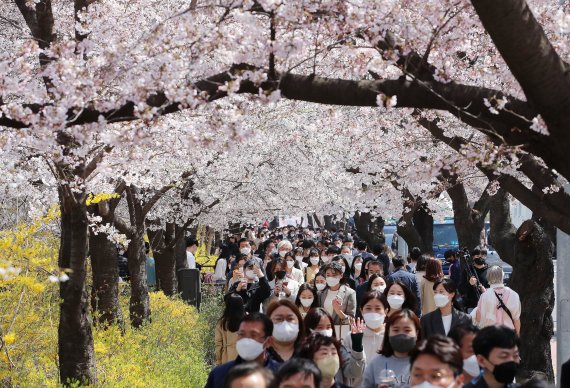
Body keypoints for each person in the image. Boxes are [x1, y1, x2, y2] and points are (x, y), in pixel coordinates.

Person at [205, 313, 280, 388]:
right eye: (241, 334)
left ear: (269, 341)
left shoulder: (282, 374)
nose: (246, 340)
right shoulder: (219, 374)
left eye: (253, 335)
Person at [303, 307, 366, 386]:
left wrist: (357, 345)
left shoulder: (338, 349)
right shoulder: (302, 352)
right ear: (309, 329)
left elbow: (355, 372)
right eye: (320, 327)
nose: (325, 331)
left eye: (328, 327)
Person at [361, 309, 421, 388]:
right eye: (396, 330)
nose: (401, 334)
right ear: (388, 332)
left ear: (416, 333)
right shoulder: (376, 364)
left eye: (407, 330)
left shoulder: (426, 363)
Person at [343, 291, 390, 383]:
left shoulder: (391, 337)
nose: (373, 312)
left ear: (386, 311)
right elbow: (348, 371)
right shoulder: (351, 337)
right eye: (368, 308)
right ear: (361, 311)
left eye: (377, 308)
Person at [475, 266, 521, 335]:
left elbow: (478, 318)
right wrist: (517, 336)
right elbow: (516, 319)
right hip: (508, 335)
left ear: (488, 277)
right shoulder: (514, 294)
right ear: (502, 276)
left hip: (490, 335)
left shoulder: (485, 295)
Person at [317, 262, 356, 339]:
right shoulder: (321, 293)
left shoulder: (350, 293)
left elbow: (352, 320)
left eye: (334, 275)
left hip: (341, 334)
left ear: (341, 275)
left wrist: (339, 312)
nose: (331, 277)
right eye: (328, 275)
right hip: (324, 333)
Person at [216, 293, 245, 365]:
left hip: (227, 358)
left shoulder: (222, 322)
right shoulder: (247, 321)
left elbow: (218, 343)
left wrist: (218, 361)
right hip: (244, 356)